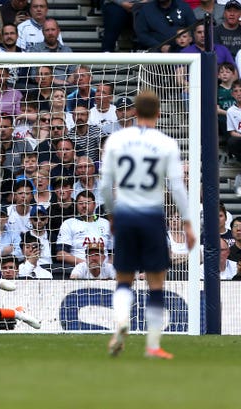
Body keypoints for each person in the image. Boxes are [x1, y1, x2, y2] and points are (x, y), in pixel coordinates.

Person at [99, 90, 196, 359]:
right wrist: (187, 224)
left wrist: (112, 215)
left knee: (124, 279)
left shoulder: (117, 139)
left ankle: (120, 322)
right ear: (159, 113)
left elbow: (105, 184)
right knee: (156, 283)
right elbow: (177, 187)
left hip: (126, 213)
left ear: (133, 111)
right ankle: (153, 346)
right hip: (152, 215)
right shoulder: (166, 143)